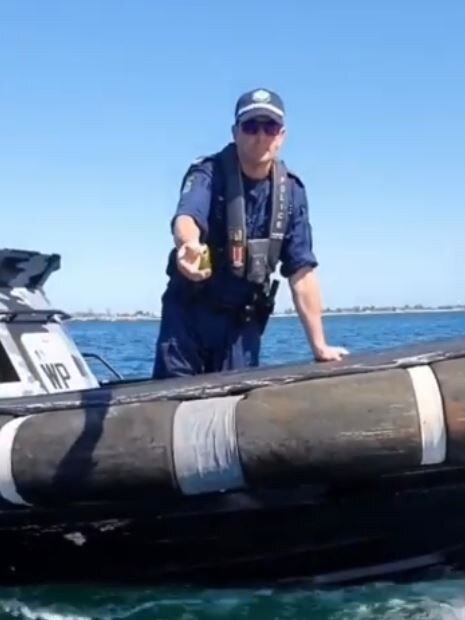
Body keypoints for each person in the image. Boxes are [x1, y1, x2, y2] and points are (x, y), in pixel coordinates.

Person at [153, 88, 348, 379]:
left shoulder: (292, 192)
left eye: (269, 127)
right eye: (251, 126)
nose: (260, 136)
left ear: (281, 135)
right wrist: (188, 244)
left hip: (241, 328)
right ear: (235, 132)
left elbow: (302, 272)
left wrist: (319, 346)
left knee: (232, 408)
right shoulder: (207, 173)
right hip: (189, 319)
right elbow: (187, 216)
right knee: (172, 406)